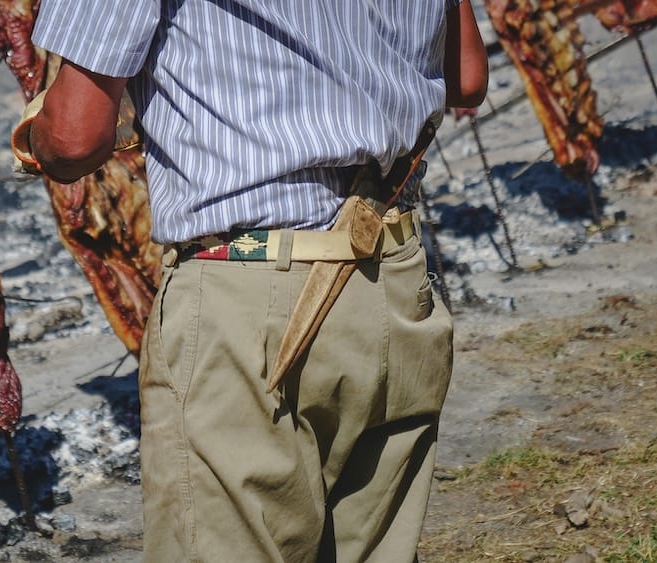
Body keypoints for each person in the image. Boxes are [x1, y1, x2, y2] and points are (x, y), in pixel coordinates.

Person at [28, 1, 487, 561]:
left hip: (250, 301)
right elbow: (466, 76)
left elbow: (75, 137)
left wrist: (40, 140)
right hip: (393, 281)